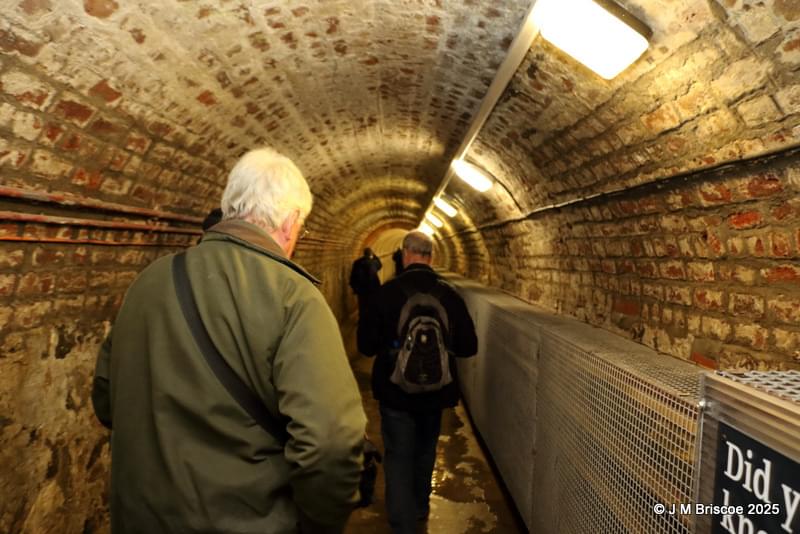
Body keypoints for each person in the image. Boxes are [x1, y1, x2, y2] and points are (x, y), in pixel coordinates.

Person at [91, 147, 367, 534]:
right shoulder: (294, 296)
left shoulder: (148, 282)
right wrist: (319, 523)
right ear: (290, 223)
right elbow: (329, 444)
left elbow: (106, 399)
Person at [357, 231, 477, 534]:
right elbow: (468, 347)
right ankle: (421, 509)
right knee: (425, 451)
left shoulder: (386, 293)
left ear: (404, 254)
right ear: (431, 256)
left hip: (395, 394)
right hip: (435, 396)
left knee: (398, 455)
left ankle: (402, 523)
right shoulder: (448, 295)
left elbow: (365, 346)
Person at [349, 247, 382, 319]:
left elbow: (353, 276)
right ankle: (371, 318)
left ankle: (362, 319)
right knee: (372, 304)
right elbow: (380, 265)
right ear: (370, 254)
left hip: (362, 289)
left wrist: (354, 287)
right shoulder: (373, 262)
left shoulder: (357, 262)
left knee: (362, 305)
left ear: (364, 253)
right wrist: (374, 255)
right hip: (373, 288)